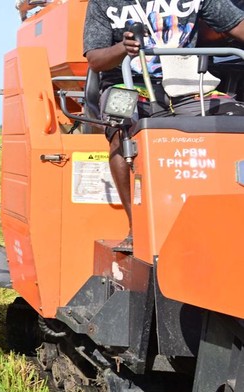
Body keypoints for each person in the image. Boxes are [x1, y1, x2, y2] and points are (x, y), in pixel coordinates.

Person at [83, 0, 244, 253]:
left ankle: (224, 219)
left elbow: (238, 25)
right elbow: (95, 60)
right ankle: (136, 225)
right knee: (122, 130)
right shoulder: (103, 2)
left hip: (188, 82)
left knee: (233, 118)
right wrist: (123, 48)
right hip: (127, 83)